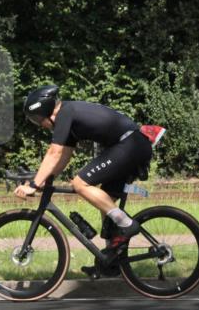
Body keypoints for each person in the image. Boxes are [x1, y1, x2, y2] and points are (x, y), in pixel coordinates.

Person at [15, 85, 154, 251]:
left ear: (45, 111)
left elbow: (54, 152)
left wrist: (33, 185)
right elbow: (64, 155)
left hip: (130, 145)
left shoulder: (65, 113)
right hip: (131, 145)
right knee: (105, 202)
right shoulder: (69, 116)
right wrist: (46, 180)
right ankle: (113, 259)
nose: (39, 124)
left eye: (37, 119)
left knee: (80, 184)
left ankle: (127, 224)